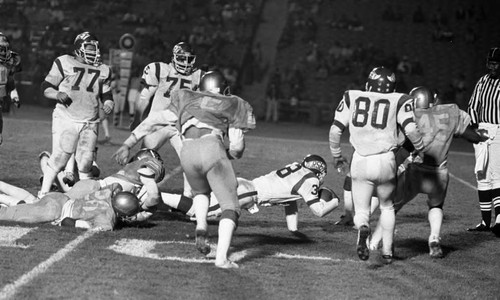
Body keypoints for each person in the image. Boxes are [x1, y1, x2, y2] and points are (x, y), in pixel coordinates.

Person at [370, 86, 488, 258]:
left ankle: (374, 242)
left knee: (392, 207)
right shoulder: (449, 112)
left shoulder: (411, 118)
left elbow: (403, 148)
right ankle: (434, 237)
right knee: (436, 206)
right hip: (439, 172)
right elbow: (468, 134)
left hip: (416, 170)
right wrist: (480, 136)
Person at [158, 70, 255, 268]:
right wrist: (229, 154)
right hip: (211, 147)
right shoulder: (230, 103)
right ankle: (221, 259)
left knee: (201, 192)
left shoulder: (188, 99)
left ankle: (201, 225)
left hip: (187, 151)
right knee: (231, 207)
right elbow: (236, 147)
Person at [329, 66, 426, 263]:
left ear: (368, 83)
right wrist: (421, 149)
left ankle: (363, 226)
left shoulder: (351, 96)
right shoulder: (400, 100)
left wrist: (337, 155)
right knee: (388, 207)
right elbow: (412, 131)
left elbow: (335, 131)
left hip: (361, 159)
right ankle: (388, 252)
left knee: (362, 211)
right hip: (385, 160)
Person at [162, 154, 339, 232]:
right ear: (319, 171)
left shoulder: (295, 168)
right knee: (197, 211)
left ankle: (155, 202)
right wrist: (335, 201)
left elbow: (289, 200)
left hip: (246, 187)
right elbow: (319, 211)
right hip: (247, 194)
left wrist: (293, 229)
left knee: (200, 204)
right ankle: (149, 196)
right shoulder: (310, 179)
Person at [38, 31, 114, 198]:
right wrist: (56, 94)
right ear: (78, 48)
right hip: (66, 117)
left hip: (90, 121)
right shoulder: (64, 62)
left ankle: (85, 196)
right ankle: (43, 194)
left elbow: (106, 94)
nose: (94, 51)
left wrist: (108, 103)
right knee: (59, 158)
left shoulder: (103, 69)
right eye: (89, 47)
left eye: (95, 48)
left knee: (86, 163)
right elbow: (46, 86)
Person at [130, 42, 204, 153]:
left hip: (181, 125)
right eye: (182, 59)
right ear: (174, 57)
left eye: (189, 60)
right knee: (143, 157)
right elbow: (145, 97)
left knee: (191, 161)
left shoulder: (198, 75)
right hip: (158, 122)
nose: (186, 63)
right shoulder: (160, 69)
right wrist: (137, 118)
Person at [0, 181, 138, 231]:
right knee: (6, 214)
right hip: (54, 211)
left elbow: (116, 186)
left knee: (26, 205)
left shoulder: (109, 193)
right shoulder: (107, 220)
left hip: (60, 198)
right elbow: (68, 222)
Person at [467, 47, 500, 237]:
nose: (491, 67)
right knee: (482, 174)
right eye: (489, 63)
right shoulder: (483, 81)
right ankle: (485, 221)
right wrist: (475, 127)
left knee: (497, 173)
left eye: (495, 63)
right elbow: (473, 104)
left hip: (499, 129)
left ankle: (499, 220)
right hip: (482, 130)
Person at [0, 32, 21, 145]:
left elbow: (11, 84)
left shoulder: (7, 66)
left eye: (5, 49)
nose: (4, 52)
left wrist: (15, 97)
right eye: (1, 49)